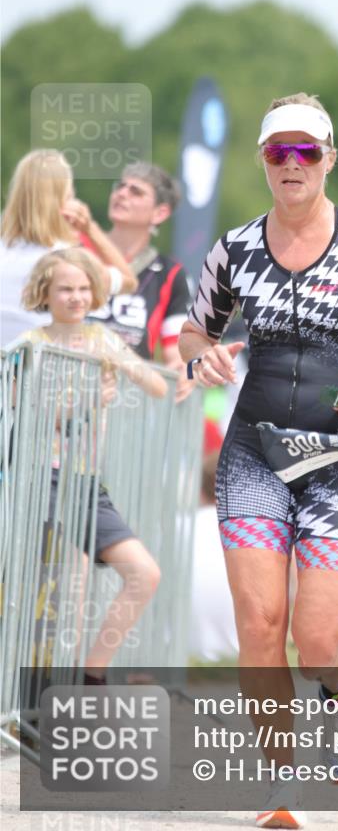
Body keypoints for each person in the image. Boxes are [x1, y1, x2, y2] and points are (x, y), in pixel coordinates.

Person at [179, 93, 338, 828]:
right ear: (263, 161)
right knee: (261, 623)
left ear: (329, 158)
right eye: (277, 151)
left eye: (306, 151)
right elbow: (194, 333)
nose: (291, 163)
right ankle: (280, 785)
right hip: (255, 454)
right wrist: (201, 359)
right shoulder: (234, 248)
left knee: (318, 639)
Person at [13, 247, 167, 684]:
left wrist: (124, 367)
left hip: (84, 481)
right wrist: (81, 402)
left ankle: (91, 676)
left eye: (84, 288)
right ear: (45, 292)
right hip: (39, 477)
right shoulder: (28, 346)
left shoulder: (101, 338)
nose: (77, 297)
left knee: (143, 573)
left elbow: (156, 386)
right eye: (66, 289)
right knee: (56, 590)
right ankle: (34, 697)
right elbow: (18, 412)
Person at [0, 149, 137, 348]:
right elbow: (129, 282)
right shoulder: (68, 261)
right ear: (65, 197)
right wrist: (90, 229)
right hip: (41, 363)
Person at [85, 161, 193, 399]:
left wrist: (184, 369)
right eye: (120, 186)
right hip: (66, 391)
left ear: (160, 213)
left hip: (130, 402)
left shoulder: (170, 273)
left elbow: (176, 351)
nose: (122, 193)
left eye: (136, 191)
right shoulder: (78, 252)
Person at [188, 452, 239, 662]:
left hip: (182, 652)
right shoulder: (256, 536)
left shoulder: (178, 527)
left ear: (200, 492)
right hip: (241, 652)